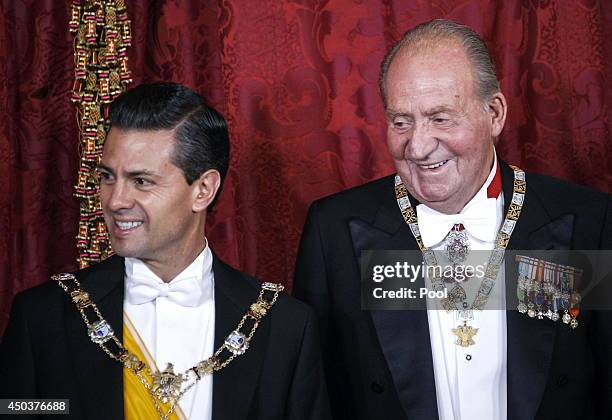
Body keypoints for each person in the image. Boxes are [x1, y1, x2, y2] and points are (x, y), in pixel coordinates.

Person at [293, 19, 612, 420]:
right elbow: (314, 396)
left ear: (494, 114)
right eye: (401, 121)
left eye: (441, 118)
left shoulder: (586, 221)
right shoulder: (333, 229)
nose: (419, 146)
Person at [0, 83, 330, 420]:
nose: (115, 201)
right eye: (107, 177)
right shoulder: (43, 316)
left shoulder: (283, 326)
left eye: (141, 181)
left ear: (203, 190)